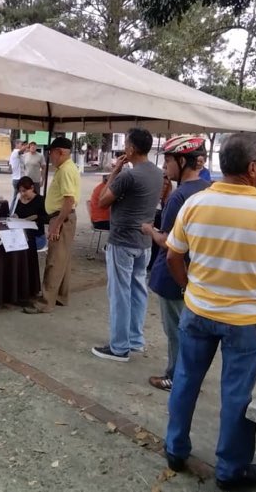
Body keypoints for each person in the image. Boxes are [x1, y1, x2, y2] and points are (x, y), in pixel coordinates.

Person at [164, 132, 256, 490]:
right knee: (237, 396)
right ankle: (230, 469)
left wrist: (188, 287)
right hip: (244, 321)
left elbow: (173, 256)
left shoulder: (195, 204)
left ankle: (175, 449)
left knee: (185, 380)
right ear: (253, 168)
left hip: (197, 312)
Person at [141, 136, 210, 390]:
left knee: (176, 331)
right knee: (190, 328)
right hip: (197, 272)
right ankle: (189, 373)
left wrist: (150, 230)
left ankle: (175, 376)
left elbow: (169, 241)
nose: (166, 167)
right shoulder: (208, 190)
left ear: (183, 161)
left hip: (173, 274)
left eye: (169, 160)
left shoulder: (179, 197)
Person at [90, 128, 164, 361]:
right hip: (143, 241)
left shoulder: (128, 175)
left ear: (131, 149)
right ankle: (135, 339)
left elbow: (102, 201)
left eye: (126, 146)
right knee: (138, 290)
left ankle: (119, 346)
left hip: (122, 240)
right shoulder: (157, 173)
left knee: (120, 292)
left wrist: (115, 171)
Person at [23, 137, 80, 314]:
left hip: (61, 217)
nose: (50, 157)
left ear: (60, 152)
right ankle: (60, 296)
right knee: (63, 258)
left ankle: (46, 301)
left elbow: (69, 200)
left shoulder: (65, 170)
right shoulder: (66, 168)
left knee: (54, 260)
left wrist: (56, 224)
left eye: (51, 153)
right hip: (62, 217)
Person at [10, 176, 48, 250]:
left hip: (36, 237)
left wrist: (36, 218)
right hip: (20, 235)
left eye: (24, 191)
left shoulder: (41, 200)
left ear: (32, 188)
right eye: (20, 191)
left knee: (19, 246)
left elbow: (47, 218)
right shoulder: (19, 200)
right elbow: (15, 214)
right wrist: (15, 216)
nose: (22, 194)